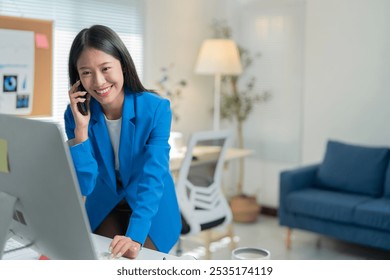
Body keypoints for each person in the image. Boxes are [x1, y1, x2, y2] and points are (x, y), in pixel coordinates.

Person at [64, 25, 181, 259]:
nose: (98, 81)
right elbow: (85, 186)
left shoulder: (156, 108)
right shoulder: (75, 114)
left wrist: (135, 236)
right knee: (99, 260)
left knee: (134, 261)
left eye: (105, 68)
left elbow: (153, 176)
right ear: (78, 78)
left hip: (150, 206)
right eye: (86, 72)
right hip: (105, 206)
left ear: (123, 66)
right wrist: (81, 132)